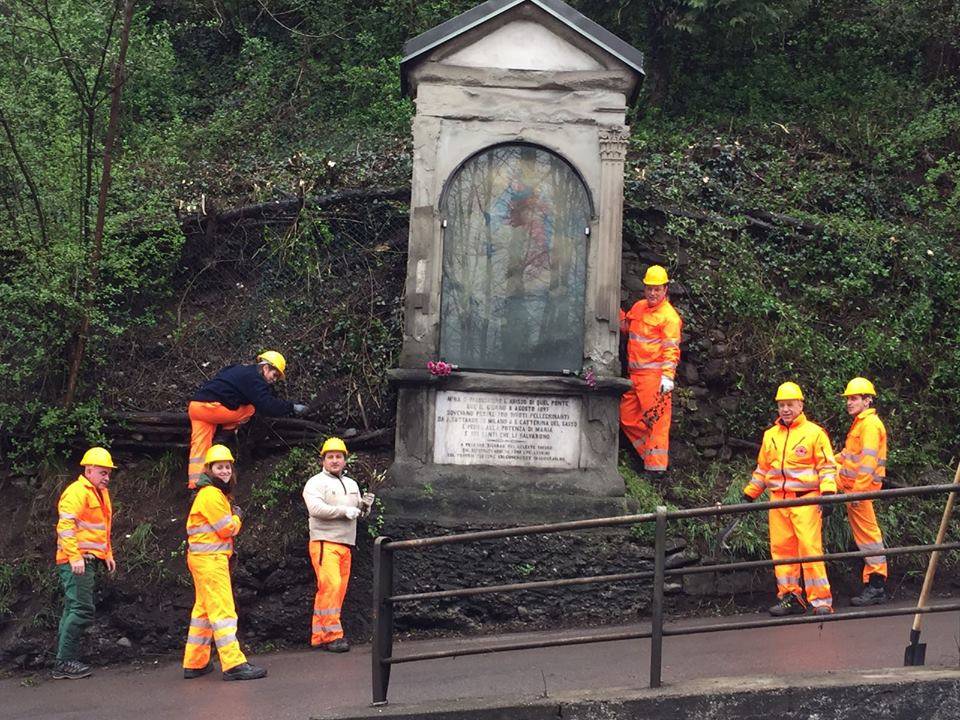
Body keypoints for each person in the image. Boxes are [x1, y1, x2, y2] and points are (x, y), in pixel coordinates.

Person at [742, 382, 838, 616]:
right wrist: (749, 494)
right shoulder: (770, 436)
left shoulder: (815, 433)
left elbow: (827, 466)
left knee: (809, 548)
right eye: (781, 405)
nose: (785, 409)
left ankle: (821, 601)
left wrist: (828, 494)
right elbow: (763, 470)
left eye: (790, 404)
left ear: (800, 405)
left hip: (805, 499)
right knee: (782, 551)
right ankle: (790, 596)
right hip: (778, 501)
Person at [182, 444, 266, 681]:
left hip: (204, 560)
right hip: (210, 561)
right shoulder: (211, 495)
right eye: (220, 467)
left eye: (227, 467)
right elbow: (226, 529)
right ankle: (233, 663)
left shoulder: (211, 493)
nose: (225, 471)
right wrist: (237, 517)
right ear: (209, 470)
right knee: (223, 611)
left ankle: (195, 662)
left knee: (204, 611)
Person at [187, 350, 307, 488]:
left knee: (200, 447)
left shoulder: (238, 370)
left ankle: (196, 486)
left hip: (196, 407)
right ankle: (225, 434)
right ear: (266, 368)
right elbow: (266, 405)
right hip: (213, 408)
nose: (274, 380)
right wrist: (291, 407)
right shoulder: (254, 378)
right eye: (274, 375)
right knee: (250, 409)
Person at [302, 437, 374, 652]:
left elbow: (357, 514)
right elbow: (315, 509)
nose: (335, 460)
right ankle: (333, 635)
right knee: (331, 586)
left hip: (345, 544)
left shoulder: (351, 484)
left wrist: (365, 507)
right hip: (325, 543)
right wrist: (344, 511)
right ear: (323, 460)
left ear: (345, 460)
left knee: (335, 590)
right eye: (330, 457)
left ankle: (319, 635)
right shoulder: (315, 483)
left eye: (339, 457)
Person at [53, 447, 117, 679]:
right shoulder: (77, 492)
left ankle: (63, 659)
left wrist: (107, 554)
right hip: (77, 561)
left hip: (88, 559)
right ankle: (64, 662)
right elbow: (66, 527)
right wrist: (75, 557)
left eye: (108, 473)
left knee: (73, 608)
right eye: (102, 472)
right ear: (88, 471)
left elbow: (102, 529)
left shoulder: (100, 493)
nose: (106, 477)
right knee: (81, 609)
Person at [619, 265, 682, 473]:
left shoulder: (669, 317)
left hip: (654, 379)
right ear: (644, 289)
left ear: (665, 289)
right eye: (649, 288)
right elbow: (626, 327)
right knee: (626, 417)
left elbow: (671, 350)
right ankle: (649, 455)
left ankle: (656, 469)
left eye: (657, 289)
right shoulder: (638, 307)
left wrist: (667, 377)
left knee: (657, 423)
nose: (653, 293)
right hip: (635, 375)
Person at [838, 377, 889, 606]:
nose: (849, 402)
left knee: (869, 536)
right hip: (853, 488)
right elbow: (850, 456)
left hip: (860, 490)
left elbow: (867, 462)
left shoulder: (868, 425)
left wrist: (858, 492)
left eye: (854, 398)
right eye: (848, 398)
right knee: (866, 535)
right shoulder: (861, 424)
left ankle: (877, 584)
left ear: (867, 400)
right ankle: (875, 583)